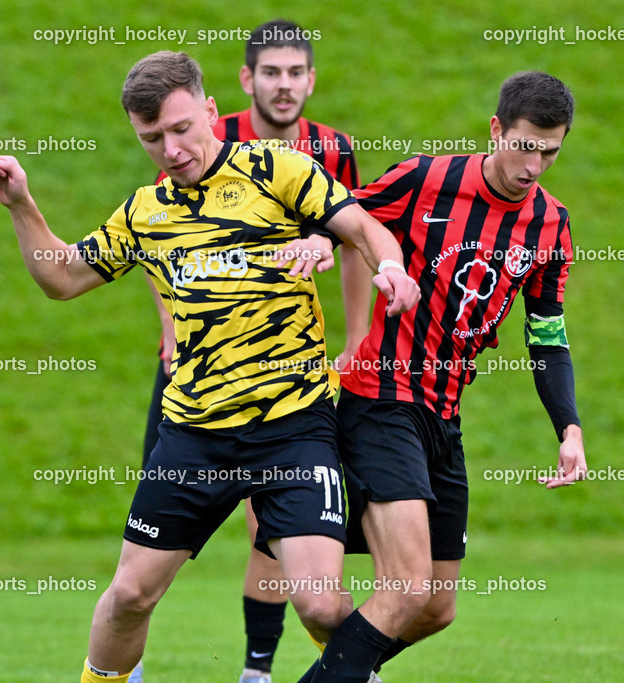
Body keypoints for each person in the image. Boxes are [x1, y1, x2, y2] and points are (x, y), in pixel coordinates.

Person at [0, 50, 420, 683]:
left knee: (320, 603)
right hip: (195, 435)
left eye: (181, 129)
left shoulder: (278, 170)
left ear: (210, 111)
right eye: (151, 138)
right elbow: (63, 277)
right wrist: (22, 205)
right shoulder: (145, 212)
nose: (171, 148)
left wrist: (392, 269)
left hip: (293, 425)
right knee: (129, 597)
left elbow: (364, 229)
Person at [299, 71, 589, 682]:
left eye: (551, 150)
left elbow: (547, 335)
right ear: (496, 130)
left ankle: (351, 673)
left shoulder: (551, 225)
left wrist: (569, 427)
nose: (535, 165)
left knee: (433, 607)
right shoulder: (427, 178)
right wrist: (322, 243)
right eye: (525, 145)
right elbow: (346, 216)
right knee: (404, 586)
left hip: (443, 415)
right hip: (380, 397)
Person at [138, 20, 370, 683]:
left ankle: (259, 669)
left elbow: (353, 240)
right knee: (165, 551)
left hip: (289, 365)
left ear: (311, 79)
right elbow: (162, 239)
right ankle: (144, 656)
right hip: (204, 365)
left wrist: (355, 342)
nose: (284, 84)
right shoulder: (202, 138)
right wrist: (172, 330)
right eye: (271, 72)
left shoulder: (333, 151)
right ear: (245, 81)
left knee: (280, 525)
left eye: (296, 72)